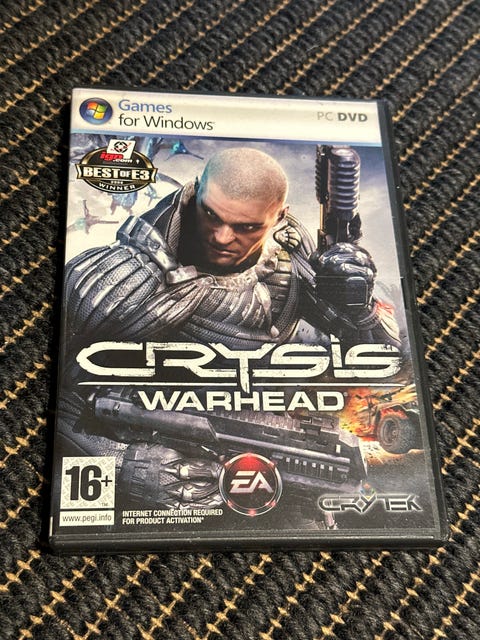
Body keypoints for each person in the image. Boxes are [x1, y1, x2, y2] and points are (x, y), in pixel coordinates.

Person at [60, 147, 399, 515]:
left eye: (246, 227)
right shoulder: (119, 280)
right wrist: (124, 466)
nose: (222, 237)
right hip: (164, 482)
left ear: (278, 217)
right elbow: (51, 398)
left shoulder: (290, 255)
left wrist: (360, 309)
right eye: (211, 215)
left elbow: (383, 363)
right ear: (195, 191)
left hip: (283, 466)